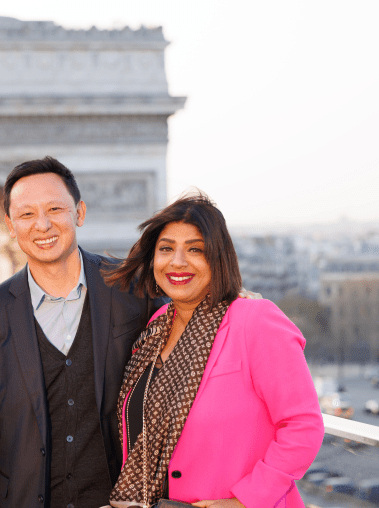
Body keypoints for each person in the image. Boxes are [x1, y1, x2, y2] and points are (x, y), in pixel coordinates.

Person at [0, 157, 164, 508]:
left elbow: (189, 331)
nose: (42, 225)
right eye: (26, 214)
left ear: (79, 213)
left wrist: (233, 304)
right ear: (9, 225)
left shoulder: (135, 290)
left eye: (55, 209)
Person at [104, 193, 324, 508]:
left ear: (218, 258)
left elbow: (303, 426)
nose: (177, 262)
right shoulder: (156, 326)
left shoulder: (255, 320)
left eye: (195, 249)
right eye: (166, 248)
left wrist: (245, 501)